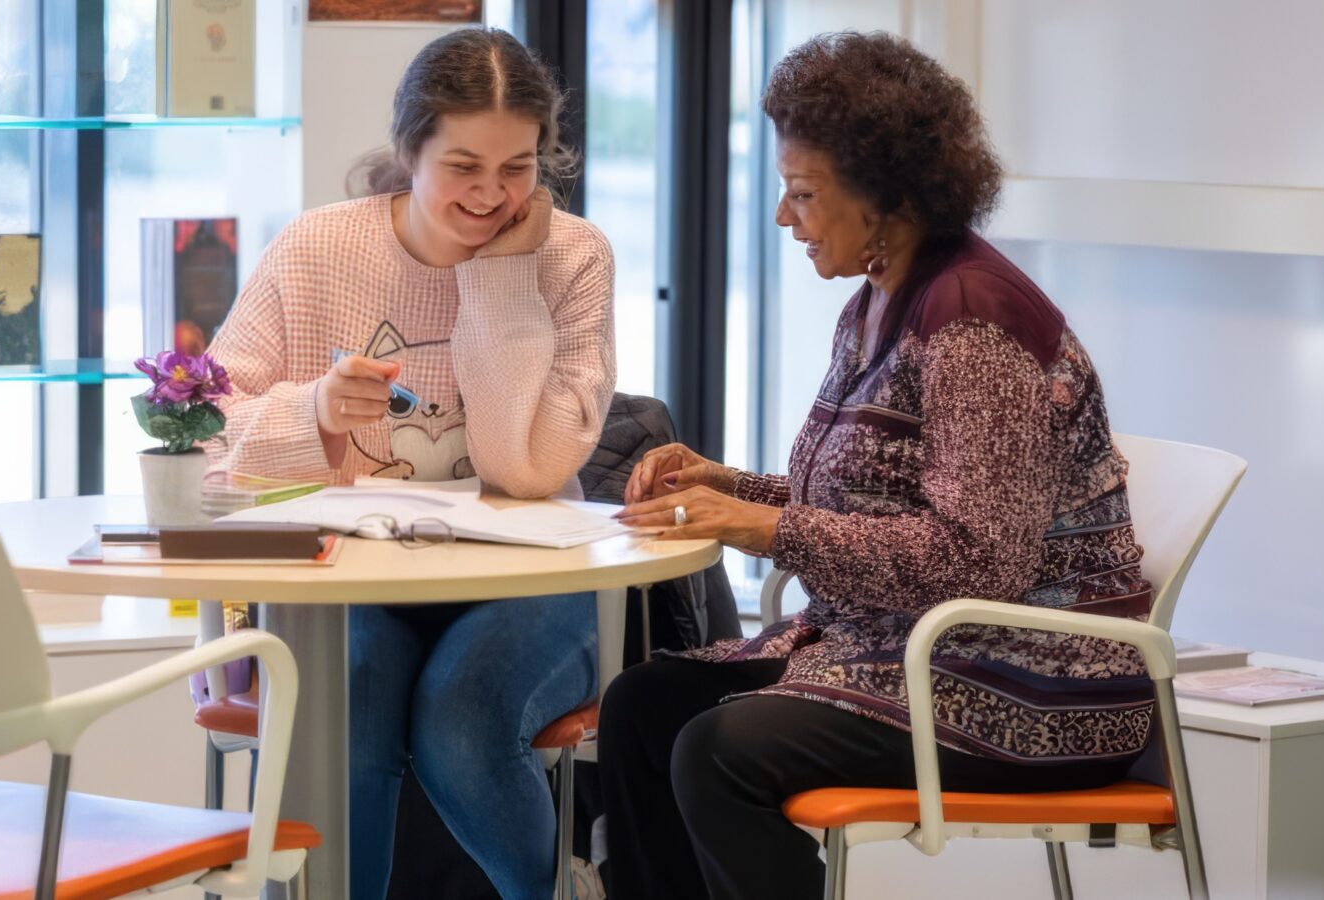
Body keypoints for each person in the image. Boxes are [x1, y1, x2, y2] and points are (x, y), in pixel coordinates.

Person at [599, 31, 1157, 900]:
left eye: (804, 195)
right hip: (904, 651)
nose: (785, 218)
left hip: (1027, 686)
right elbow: (873, 501)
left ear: (888, 194)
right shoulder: (879, 297)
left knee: (718, 754)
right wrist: (729, 486)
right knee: (643, 706)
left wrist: (769, 526)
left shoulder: (973, 324)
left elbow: (980, 558)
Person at [204, 28, 615, 900]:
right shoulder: (317, 249)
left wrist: (503, 279)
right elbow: (204, 431)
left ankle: (553, 891)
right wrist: (311, 410)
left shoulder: (571, 256)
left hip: (528, 586)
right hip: (350, 581)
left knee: (464, 715)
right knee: (346, 705)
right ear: (407, 148)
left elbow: (529, 469)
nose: (492, 196)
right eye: (463, 166)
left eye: (518, 168)